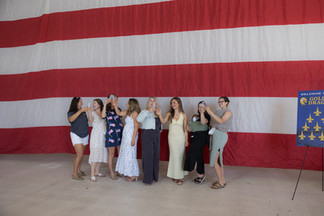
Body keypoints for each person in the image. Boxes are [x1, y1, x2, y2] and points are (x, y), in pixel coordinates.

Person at [157, 97, 188, 185]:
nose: (173, 104)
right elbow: (163, 121)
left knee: (181, 155)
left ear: (179, 103)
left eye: (174, 103)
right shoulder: (169, 113)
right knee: (174, 155)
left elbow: (185, 128)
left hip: (181, 137)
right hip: (172, 137)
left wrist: (186, 140)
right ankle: (175, 175)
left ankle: (180, 177)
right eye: (171, 103)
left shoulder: (183, 115)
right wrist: (159, 114)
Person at [205, 97, 233, 189]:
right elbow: (212, 123)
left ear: (227, 103)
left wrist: (210, 112)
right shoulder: (217, 112)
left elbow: (221, 121)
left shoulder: (228, 112)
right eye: (219, 101)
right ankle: (222, 180)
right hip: (214, 134)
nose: (220, 103)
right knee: (219, 159)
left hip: (221, 135)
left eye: (222, 101)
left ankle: (220, 182)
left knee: (215, 159)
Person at [114, 98, 141, 182]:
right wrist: (115, 105)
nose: (127, 105)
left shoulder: (135, 113)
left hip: (130, 136)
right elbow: (118, 113)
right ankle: (128, 172)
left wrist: (133, 139)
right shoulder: (128, 112)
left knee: (130, 154)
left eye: (128, 103)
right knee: (125, 153)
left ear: (132, 105)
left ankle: (133, 174)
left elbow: (136, 126)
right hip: (126, 136)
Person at [136, 97, 162, 185]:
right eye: (150, 101)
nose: (152, 102)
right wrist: (149, 111)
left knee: (155, 155)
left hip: (156, 134)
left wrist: (159, 114)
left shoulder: (157, 112)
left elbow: (160, 124)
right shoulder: (144, 111)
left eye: (153, 100)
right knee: (148, 156)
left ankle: (154, 176)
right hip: (147, 134)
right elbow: (138, 119)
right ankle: (147, 179)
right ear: (148, 103)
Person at [184, 101, 210, 184]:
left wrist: (202, 113)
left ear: (205, 107)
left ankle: (193, 167)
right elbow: (189, 128)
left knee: (191, 153)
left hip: (201, 138)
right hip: (194, 137)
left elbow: (203, 122)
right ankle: (200, 176)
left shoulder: (207, 116)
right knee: (198, 156)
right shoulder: (195, 117)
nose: (200, 108)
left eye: (202, 106)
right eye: (199, 106)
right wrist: (189, 126)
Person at [67, 97, 90, 180]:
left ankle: (79, 170)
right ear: (76, 103)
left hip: (85, 134)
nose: (82, 103)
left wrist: (87, 112)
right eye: (81, 102)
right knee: (79, 154)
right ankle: (74, 173)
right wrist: (80, 111)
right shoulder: (71, 112)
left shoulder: (84, 113)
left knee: (81, 154)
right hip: (76, 134)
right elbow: (71, 119)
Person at [102, 94, 123, 180]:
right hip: (111, 134)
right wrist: (105, 104)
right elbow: (103, 116)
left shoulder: (118, 109)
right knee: (111, 153)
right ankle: (111, 172)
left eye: (116, 100)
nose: (116, 101)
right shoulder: (105, 110)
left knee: (120, 152)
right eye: (114, 99)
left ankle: (119, 170)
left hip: (119, 132)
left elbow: (121, 119)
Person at [88, 99, 108, 182]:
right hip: (95, 135)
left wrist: (106, 134)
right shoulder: (92, 113)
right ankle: (92, 174)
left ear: (99, 104)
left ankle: (96, 172)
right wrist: (89, 112)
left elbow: (104, 123)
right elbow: (91, 121)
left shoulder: (103, 113)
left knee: (102, 152)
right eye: (93, 103)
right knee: (95, 153)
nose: (93, 104)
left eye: (95, 103)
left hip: (102, 135)